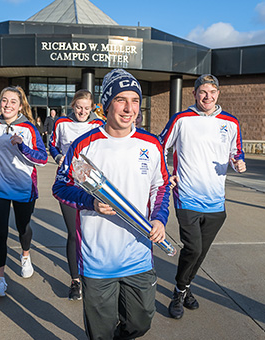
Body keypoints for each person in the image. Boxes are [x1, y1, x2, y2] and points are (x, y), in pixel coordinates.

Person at [53, 69, 170, 339]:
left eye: (135, 100)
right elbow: (61, 186)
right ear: (105, 105)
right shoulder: (85, 145)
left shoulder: (151, 144)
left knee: (140, 323)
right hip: (98, 259)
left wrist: (159, 218)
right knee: (100, 332)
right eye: (120, 99)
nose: (129, 108)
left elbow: (160, 185)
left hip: (138, 254)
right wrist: (91, 202)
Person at [159, 74, 246, 320]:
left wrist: (238, 161)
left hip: (216, 199)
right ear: (195, 94)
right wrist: (166, 175)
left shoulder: (230, 122)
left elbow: (236, 150)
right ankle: (178, 293)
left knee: (201, 251)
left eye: (213, 92)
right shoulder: (182, 119)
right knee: (193, 248)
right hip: (187, 196)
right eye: (203, 92)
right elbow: (160, 147)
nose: (208, 97)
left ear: (218, 94)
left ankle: (184, 289)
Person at [0, 86, 48, 298]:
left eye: (13, 101)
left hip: (23, 186)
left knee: (23, 228)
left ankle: (25, 255)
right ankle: (0, 279)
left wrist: (22, 147)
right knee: (0, 232)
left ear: (20, 106)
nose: (8, 105)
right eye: (4, 100)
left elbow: (42, 158)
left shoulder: (29, 128)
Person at [48, 89, 105, 300]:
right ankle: (75, 281)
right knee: (73, 233)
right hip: (68, 185)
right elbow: (52, 144)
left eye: (87, 108)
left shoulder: (98, 124)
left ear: (92, 108)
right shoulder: (61, 123)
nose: (82, 111)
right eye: (79, 107)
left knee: (93, 233)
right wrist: (58, 157)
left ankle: (94, 276)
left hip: (91, 186)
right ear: (73, 105)